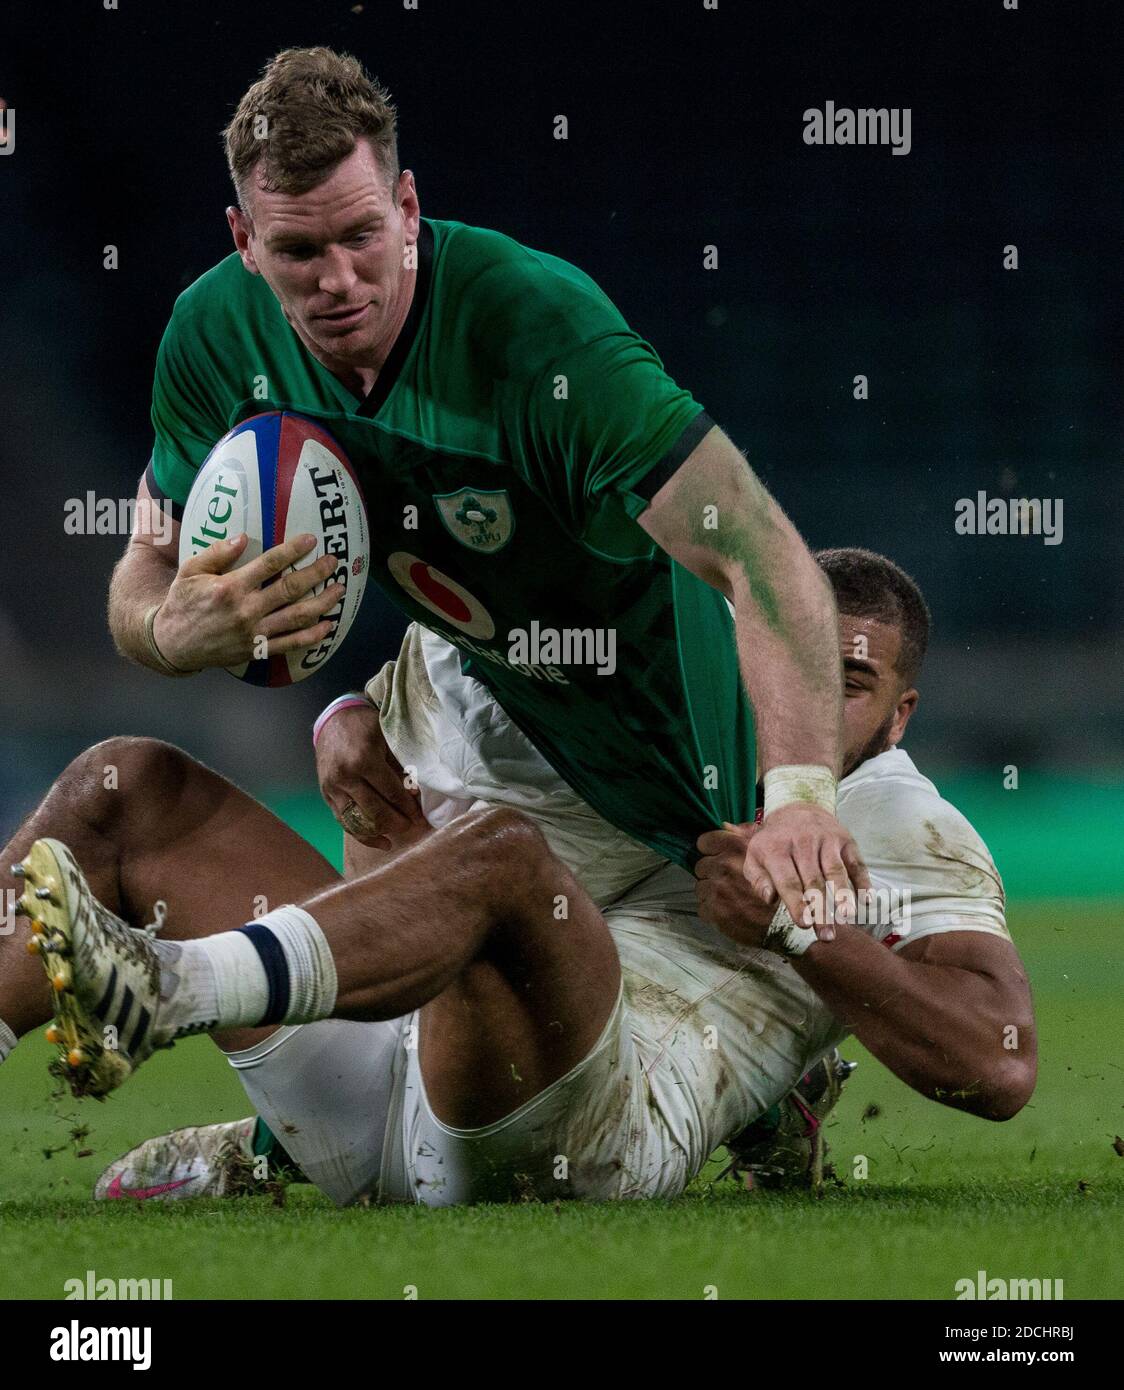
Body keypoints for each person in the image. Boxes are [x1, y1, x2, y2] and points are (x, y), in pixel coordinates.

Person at [1, 551, 1036, 1205]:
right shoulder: (669, 721)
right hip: (404, 1080)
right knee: (125, 785)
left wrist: (803, 936)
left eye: (847, 682)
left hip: (582, 1142)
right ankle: (280, 1140)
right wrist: (342, 716)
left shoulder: (893, 818)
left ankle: (170, 984)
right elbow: (425, 773)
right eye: (787, 654)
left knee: (506, 864)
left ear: (898, 718)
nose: (806, 693)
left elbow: (998, 1065)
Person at [105, 45, 865, 933]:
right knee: (421, 1026)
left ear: (408, 207)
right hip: (486, 689)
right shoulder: (211, 339)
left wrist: (804, 800)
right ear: (244, 241)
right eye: (298, 251)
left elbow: (761, 552)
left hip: (668, 720)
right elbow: (147, 557)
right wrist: (169, 628)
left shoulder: (540, 334)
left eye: (362, 236)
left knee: (856, 992)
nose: (339, 281)